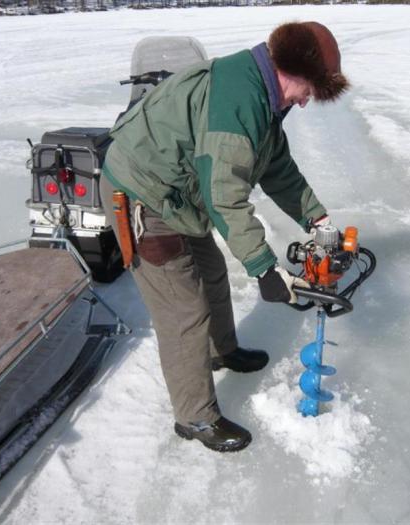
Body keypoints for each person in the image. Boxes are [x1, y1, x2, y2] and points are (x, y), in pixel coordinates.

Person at [100, 21, 349, 452]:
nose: (306, 102)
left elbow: (277, 170)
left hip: (180, 193)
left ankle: (222, 351)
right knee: (184, 309)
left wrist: (318, 222)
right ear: (291, 70)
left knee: (211, 271)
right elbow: (226, 197)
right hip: (144, 198)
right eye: (309, 90)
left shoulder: (263, 96)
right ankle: (194, 417)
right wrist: (265, 269)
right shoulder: (241, 102)